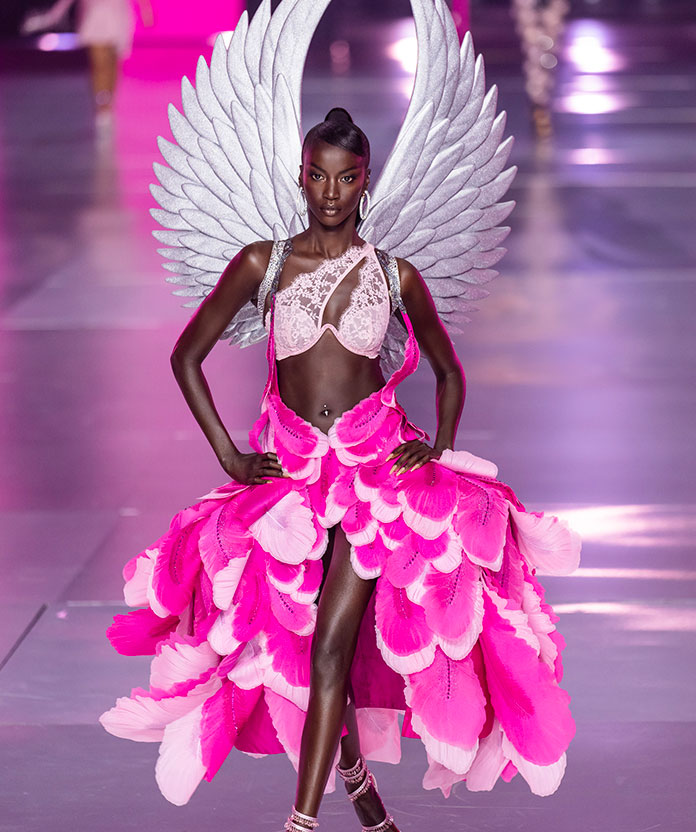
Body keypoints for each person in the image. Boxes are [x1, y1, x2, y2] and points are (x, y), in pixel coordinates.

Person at [99, 106, 581, 832]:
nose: (330, 191)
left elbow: (449, 371)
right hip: (289, 481)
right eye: (318, 176)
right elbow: (185, 355)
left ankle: (301, 823)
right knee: (302, 642)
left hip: (372, 481)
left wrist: (438, 448)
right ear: (302, 176)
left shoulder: (393, 274)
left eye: (345, 178)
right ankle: (359, 788)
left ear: (365, 183)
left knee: (328, 646)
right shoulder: (264, 263)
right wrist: (229, 453)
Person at [21, 0, 153, 122]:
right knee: (99, 65)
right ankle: (101, 107)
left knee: (112, 63)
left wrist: (145, 9)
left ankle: (108, 103)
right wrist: (54, 14)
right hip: (95, 14)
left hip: (118, 15)